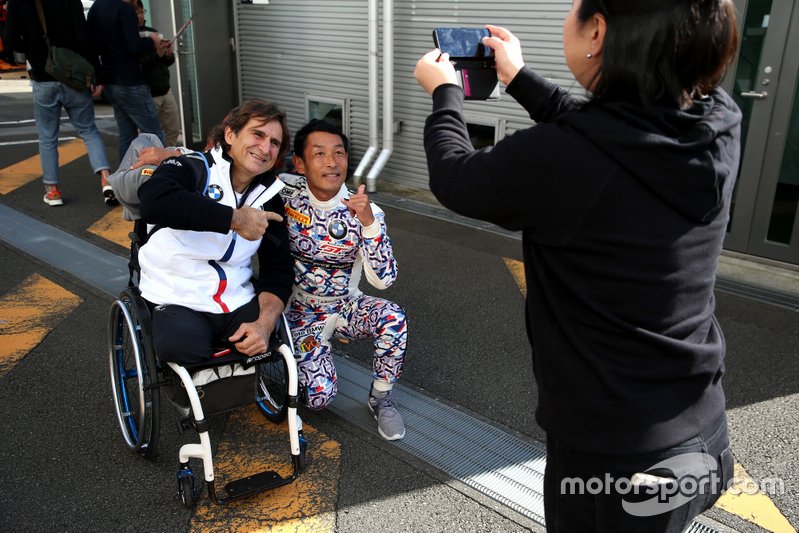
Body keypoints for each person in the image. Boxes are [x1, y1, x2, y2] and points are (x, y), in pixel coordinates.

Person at [414, 1, 740, 531]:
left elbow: (456, 177)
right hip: (700, 425)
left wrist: (445, 93)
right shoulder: (717, 120)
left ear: (599, 31)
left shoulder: (567, 157)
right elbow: (607, 141)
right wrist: (518, 78)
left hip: (615, 460)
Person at [135, 99, 292, 365]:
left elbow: (279, 268)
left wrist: (264, 324)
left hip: (234, 296)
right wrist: (234, 218)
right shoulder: (192, 167)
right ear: (230, 134)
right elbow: (154, 200)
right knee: (182, 348)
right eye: (257, 134)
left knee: (271, 343)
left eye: (274, 143)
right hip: (176, 294)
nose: (265, 148)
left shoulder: (270, 196)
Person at [281, 119, 407, 441]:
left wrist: (367, 224)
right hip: (302, 311)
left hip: (347, 304)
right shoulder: (283, 196)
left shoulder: (366, 210)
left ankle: (381, 398)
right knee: (319, 398)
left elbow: (385, 280)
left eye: (339, 153)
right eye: (319, 153)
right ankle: (305, 359)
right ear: (300, 163)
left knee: (392, 318)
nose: (331, 162)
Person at [5, 0, 114, 206]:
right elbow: (84, 37)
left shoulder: (18, 3)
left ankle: (53, 191)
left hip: (43, 77)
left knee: (47, 137)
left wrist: (31, 45)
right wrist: (96, 76)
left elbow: (9, 40)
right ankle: (106, 179)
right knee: (89, 130)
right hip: (73, 76)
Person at [87, 0, 164, 161]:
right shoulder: (124, 10)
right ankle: (163, 179)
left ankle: (124, 178)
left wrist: (99, 78)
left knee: (126, 135)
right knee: (154, 134)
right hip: (130, 81)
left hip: (110, 80)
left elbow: (91, 46)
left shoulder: (96, 7)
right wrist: (152, 40)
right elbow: (134, 48)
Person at [135, 0, 181, 147]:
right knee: (151, 135)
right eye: (137, 12)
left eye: (142, 12)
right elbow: (139, 65)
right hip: (148, 94)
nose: (140, 16)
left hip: (165, 90)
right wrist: (157, 54)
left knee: (173, 130)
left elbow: (167, 62)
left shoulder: (152, 32)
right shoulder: (130, 37)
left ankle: (168, 161)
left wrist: (167, 53)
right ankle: (151, 164)